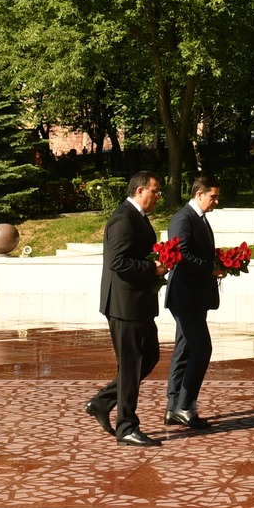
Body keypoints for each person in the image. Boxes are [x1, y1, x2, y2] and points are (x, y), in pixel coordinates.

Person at [84, 171, 163, 447]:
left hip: (139, 304)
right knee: (131, 366)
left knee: (149, 357)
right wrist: (152, 267)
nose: (158, 196)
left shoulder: (137, 217)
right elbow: (118, 262)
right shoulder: (123, 218)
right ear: (140, 191)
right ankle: (127, 427)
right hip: (125, 305)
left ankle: (102, 401)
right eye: (155, 191)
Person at [163, 175, 224, 428]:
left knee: (185, 350)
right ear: (199, 194)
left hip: (194, 297)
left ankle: (173, 407)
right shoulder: (183, 218)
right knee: (201, 349)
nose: (216, 201)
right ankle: (185, 407)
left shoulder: (199, 219)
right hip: (185, 296)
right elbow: (182, 254)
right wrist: (209, 268)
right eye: (213, 196)